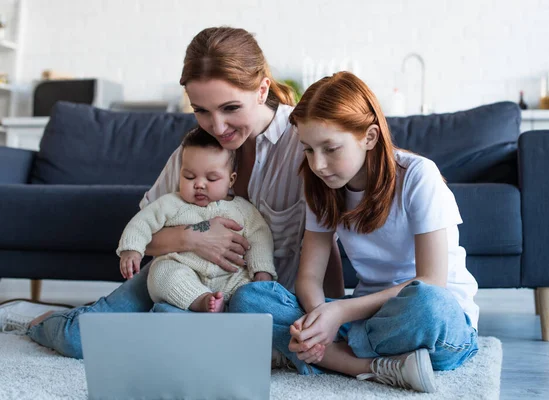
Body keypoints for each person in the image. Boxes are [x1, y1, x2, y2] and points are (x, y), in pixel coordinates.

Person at [0, 26, 344, 359]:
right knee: (83, 341)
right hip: (178, 275)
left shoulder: (303, 142)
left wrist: (332, 315)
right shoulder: (196, 147)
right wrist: (194, 239)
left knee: (180, 348)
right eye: (202, 111)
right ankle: (36, 318)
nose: (218, 128)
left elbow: (326, 242)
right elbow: (144, 237)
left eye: (230, 108)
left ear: (261, 89)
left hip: (244, 294)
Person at [228, 72, 480, 393]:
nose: (318, 164)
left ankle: (324, 358)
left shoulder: (418, 175)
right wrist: (322, 320)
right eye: (308, 149)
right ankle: (373, 365)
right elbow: (308, 277)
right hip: (361, 319)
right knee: (249, 299)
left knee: (429, 304)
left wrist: (338, 313)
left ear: (370, 137)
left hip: (434, 322)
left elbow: (431, 281)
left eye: (330, 148)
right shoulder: (320, 184)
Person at [118, 127, 277, 313]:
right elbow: (142, 222)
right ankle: (201, 300)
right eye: (189, 176)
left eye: (211, 178)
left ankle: (230, 307)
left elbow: (260, 237)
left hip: (231, 277)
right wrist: (131, 250)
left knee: (251, 292)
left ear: (231, 180)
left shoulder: (243, 210)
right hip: (184, 272)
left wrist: (262, 270)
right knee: (160, 273)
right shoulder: (171, 203)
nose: (199, 184)